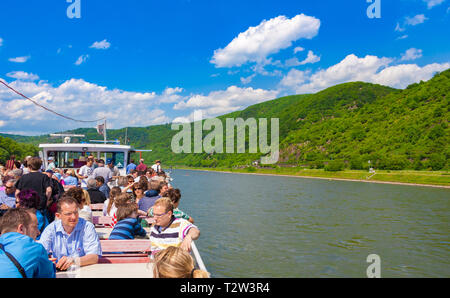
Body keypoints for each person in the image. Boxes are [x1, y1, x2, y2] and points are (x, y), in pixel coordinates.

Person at [38, 196, 102, 270]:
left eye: (75, 212)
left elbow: (94, 257)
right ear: (58, 216)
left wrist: (74, 261)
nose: (74, 217)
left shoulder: (87, 227)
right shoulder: (51, 229)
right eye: (68, 214)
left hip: (83, 272)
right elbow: (40, 254)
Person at [0, 208, 56, 278]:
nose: (38, 232)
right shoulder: (35, 248)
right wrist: (50, 265)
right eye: (35, 227)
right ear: (21, 228)